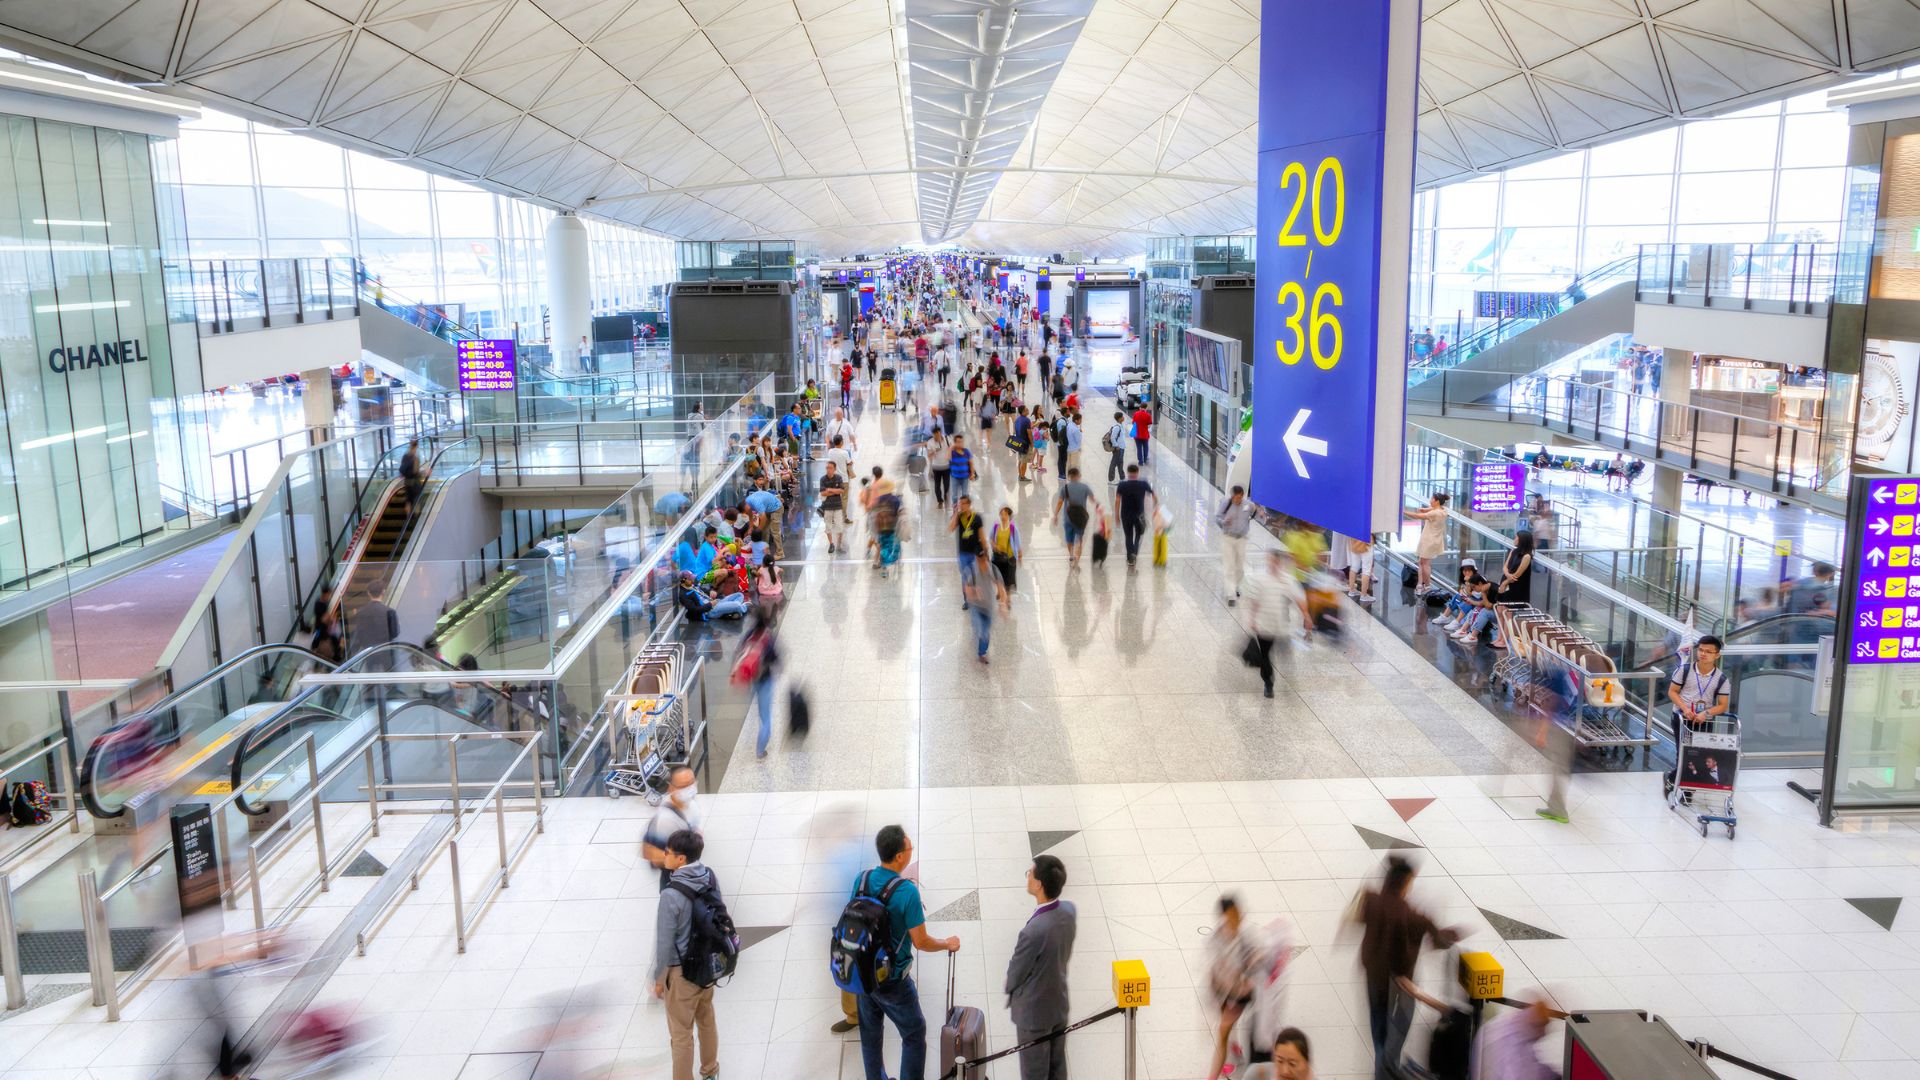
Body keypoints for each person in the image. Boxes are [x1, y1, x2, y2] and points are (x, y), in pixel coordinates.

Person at [852, 826, 961, 1080]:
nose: (912, 851)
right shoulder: (907, 892)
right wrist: (947, 943)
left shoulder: (862, 878)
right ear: (900, 856)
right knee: (913, 1033)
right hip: (892, 979)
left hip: (863, 973)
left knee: (870, 1035)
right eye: (910, 848)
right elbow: (921, 941)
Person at [1353, 856, 1461, 1080]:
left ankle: (1383, 1066)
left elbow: (1360, 919)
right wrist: (1453, 934)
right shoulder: (1412, 915)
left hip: (1373, 972)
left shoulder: (1371, 899)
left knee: (1378, 1021)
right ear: (1404, 882)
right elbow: (1439, 941)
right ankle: (1386, 1069)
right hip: (1401, 980)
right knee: (1400, 1021)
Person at [652, 830, 722, 1080]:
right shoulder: (709, 876)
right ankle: (711, 1071)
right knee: (706, 1020)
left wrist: (659, 978)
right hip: (708, 965)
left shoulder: (670, 895)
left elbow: (664, 942)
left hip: (681, 973)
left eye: (669, 852)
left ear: (681, 859)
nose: (665, 856)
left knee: (681, 1035)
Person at [1006, 855, 1076, 1080]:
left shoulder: (1033, 931)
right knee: (1058, 1067)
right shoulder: (1068, 911)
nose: (1028, 877)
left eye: (1030, 873)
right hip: (1058, 1003)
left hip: (1034, 1015)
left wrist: (1010, 988)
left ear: (1039, 885)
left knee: (1034, 1073)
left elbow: (1016, 972)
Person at [1244, 550, 1308, 698]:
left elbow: (1300, 598)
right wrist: (1252, 619)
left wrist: (1306, 616)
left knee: (1285, 651)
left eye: (1274, 561)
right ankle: (1268, 683)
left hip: (1282, 624)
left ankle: (1287, 672)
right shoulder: (1259, 577)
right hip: (1264, 624)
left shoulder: (1288, 580)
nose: (1271, 563)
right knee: (1265, 655)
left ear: (1280, 563)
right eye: (1269, 560)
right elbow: (1254, 600)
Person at [642, 766, 701, 891]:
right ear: (671, 788)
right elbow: (652, 854)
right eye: (683, 786)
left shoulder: (689, 802)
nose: (690, 789)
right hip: (676, 881)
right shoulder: (665, 819)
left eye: (691, 783)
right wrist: (681, 860)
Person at [1472, 996, 1559, 1080]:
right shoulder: (1514, 1048)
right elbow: (1524, 1074)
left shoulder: (1506, 1025)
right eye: (1543, 1028)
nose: (1544, 1034)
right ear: (1535, 1025)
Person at [738, 617, 782, 758]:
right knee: (766, 717)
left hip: (752, 679)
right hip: (765, 681)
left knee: (759, 709)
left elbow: (739, 653)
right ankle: (760, 751)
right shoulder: (768, 640)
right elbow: (776, 660)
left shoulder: (749, 635)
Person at [1217, 486, 1255, 606]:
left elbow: (1255, 514)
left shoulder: (1248, 505)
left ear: (1243, 496)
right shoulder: (1225, 503)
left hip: (1241, 539)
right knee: (1229, 566)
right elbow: (1217, 517)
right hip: (1228, 538)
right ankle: (1231, 595)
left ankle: (1235, 586)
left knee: (1240, 567)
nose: (1238, 500)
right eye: (1236, 497)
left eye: (1240, 497)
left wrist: (1261, 514)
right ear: (1232, 496)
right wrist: (1224, 522)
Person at [1112, 464, 1157, 567]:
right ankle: (1134, 553)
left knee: (1128, 536)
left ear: (1128, 473)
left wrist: (1116, 516)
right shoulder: (1143, 484)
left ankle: (1130, 558)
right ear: (1137, 473)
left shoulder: (1122, 485)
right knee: (1138, 535)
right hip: (1139, 515)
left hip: (1125, 515)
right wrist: (1155, 508)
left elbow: (1117, 501)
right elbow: (1154, 496)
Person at [1053, 467, 1095, 568]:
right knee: (1079, 540)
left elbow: (1059, 502)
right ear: (1078, 476)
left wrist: (1055, 515)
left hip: (1068, 518)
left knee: (1069, 539)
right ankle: (1076, 561)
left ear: (1069, 477)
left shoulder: (1065, 488)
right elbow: (1092, 499)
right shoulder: (1085, 487)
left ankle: (1071, 555)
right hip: (1080, 519)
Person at [1409, 492, 1450, 594]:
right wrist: (1425, 509)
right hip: (1433, 540)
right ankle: (1420, 584)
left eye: (1432, 499)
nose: (1430, 501)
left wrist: (1403, 512)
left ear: (1436, 501)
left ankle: (1427, 586)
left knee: (1425, 564)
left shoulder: (1434, 513)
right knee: (1421, 562)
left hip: (1429, 541)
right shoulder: (1443, 510)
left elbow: (1416, 516)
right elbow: (1434, 509)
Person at [351, 578, 399, 661]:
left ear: (368, 593)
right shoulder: (390, 612)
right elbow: (395, 633)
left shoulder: (361, 612)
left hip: (369, 653)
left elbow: (359, 634)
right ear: (383, 592)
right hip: (386, 653)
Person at [1244, 1028, 1315, 1080]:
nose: (1285, 1071)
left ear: (1306, 1064)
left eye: (1292, 1064)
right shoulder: (1256, 1074)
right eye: (1280, 1061)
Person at [990, 505, 1022, 595]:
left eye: (1005, 514)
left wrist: (1019, 556)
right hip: (998, 557)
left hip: (1009, 557)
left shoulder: (1013, 528)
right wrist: (995, 546)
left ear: (1009, 516)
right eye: (1001, 514)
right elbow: (991, 538)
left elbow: (1018, 542)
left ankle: (1007, 599)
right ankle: (1000, 591)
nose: (1002, 516)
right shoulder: (996, 526)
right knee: (997, 576)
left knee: (1008, 581)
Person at [927, 429, 953, 507]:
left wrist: (950, 452)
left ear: (940, 433)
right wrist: (933, 452)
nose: (937, 437)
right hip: (936, 467)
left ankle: (945, 496)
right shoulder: (930, 442)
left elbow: (952, 448)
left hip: (946, 466)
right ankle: (940, 501)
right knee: (937, 486)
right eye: (935, 436)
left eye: (938, 435)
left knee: (947, 484)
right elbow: (929, 456)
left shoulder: (947, 439)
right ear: (933, 435)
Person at [948, 433, 975, 505]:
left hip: (965, 477)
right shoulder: (952, 452)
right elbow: (948, 458)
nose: (960, 444)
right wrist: (951, 448)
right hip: (954, 477)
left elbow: (971, 463)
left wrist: (972, 473)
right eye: (958, 442)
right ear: (955, 443)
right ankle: (955, 508)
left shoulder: (966, 451)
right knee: (954, 495)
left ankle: (965, 508)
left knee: (965, 494)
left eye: (961, 442)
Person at [399, 439, 425, 511]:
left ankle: (408, 518)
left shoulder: (405, 456)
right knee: (417, 499)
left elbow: (402, 469)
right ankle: (416, 519)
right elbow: (415, 471)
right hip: (415, 482)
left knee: (408, 501)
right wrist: (422, 472)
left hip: (407, 482)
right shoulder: (415, 458)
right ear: (416, 446)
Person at [1105, 411, 1127, 483]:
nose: (1123, 418)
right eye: (1122, 417)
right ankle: (1111, 480)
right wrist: (1116, 446)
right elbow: (1112, 438)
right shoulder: (1117, 427)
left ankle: (1122, 477)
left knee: (1120, 462)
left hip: (1122, 447)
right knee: (1114, 463)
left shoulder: (1121, 426)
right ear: (1119, 418)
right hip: (1118, 448)